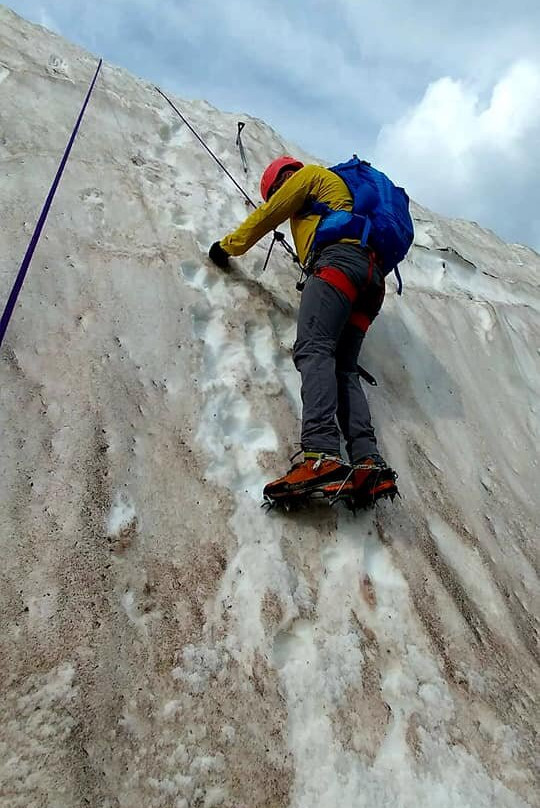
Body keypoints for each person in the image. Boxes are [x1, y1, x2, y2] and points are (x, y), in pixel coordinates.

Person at [209, 156, 397, 506]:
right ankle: (367, 463)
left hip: (339, 266)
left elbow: (269, 216)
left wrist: (226, 247)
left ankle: (322, 455)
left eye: (275, 191)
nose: (278, 196)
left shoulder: (308, 177)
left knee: (314, 350)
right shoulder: (338, 198)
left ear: (281, 180)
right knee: (344, 368)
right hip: (372, 281)